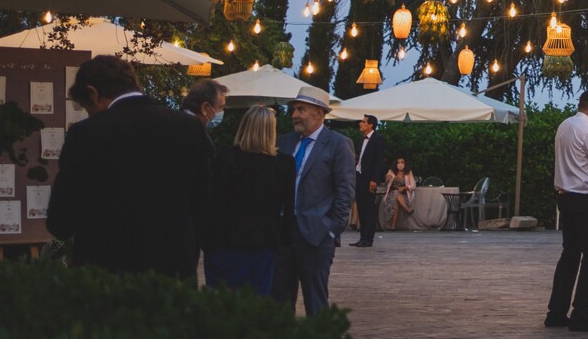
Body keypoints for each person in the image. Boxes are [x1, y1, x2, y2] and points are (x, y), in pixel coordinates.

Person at [47, 55, 211, 281]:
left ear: (93, 93)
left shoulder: (88, 133)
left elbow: (60, 221)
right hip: (175, 269)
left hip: (106, 273)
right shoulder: (189, 127)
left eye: (87, 107)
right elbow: (203, 202)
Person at [274, 88, 357, 315]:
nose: (294, 115)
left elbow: (345, 190)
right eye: (293, 110)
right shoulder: (285, 142)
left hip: (316, 236)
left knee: (316, 302)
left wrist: (331, 230)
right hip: (282, 234)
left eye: (301, 109)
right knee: (279, 303)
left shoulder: (338, 144)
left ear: (319, 113)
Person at [201, 105, 294, 293]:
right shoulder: (283, 164)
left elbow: (213, 200)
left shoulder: (223, 157)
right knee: (256, 301)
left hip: (222, 241)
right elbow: (289, 206)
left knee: (219, 301)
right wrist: (284, 239)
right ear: (271, 130)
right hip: (262, 243)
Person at [546, 88, 588, 332]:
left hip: (564, 196)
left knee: (570, 253)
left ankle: (556, 311)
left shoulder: (564, 126)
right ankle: (581, 312)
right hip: (583, 198)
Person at [351, 113, 386, 247]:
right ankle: (362, 237)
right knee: (361, 207)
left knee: (369, 208)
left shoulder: (377, 139)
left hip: (369, 178)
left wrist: (374, 180)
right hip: (359, 176)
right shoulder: (362, 139)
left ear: (370, 125)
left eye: (363, 122)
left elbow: (379, 161)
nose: (360, 124)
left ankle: (368, 238)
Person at [384, 156, 418, 228]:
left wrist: (405, 187)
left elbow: (414, 186)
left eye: (402, 162)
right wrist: (388, 178)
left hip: (404, 196)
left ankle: (393, 226)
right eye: (398, 162)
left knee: (396, 201)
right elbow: (387, 180)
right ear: (396, 164)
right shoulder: (391, 171)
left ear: (405, 164)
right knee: (395, 193)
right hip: (391, 194)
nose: (400, 164)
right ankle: (407, 209)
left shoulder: (408, 172)